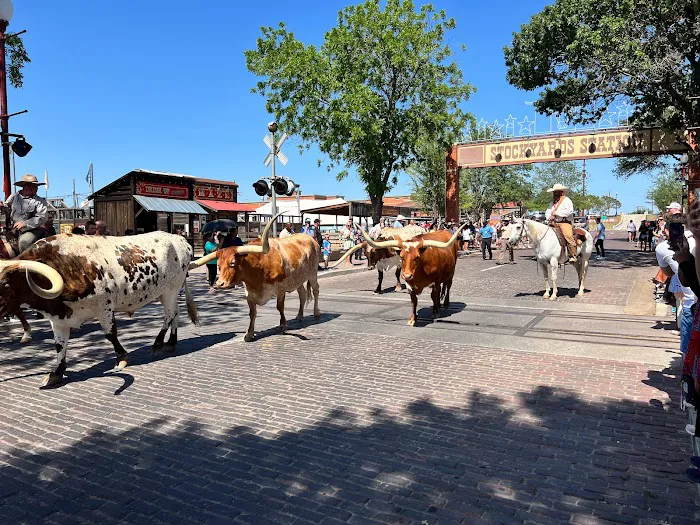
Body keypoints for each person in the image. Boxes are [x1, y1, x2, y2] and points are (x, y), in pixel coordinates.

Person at [656, 216, 696, 354]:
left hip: (692, 305)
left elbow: (668, 272)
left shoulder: (663, 247)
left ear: (668, 230)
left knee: (688, 354)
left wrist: (681, 259)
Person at [0, 174, 49, 252]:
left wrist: (25, 224)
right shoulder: (13, 197)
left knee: (24, 242)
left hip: (32, 229)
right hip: (13, 228)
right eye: (34, 186)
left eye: (36, 186)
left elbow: (42, 217)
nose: (36, 188)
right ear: (25, 186)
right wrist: (2, 206)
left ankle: (27, 262)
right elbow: (7, 206)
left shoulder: (40, 201)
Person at [545, 183, 577, 263]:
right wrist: (549, 217)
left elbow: (569, 211)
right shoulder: (552, 203)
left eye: (557, 192)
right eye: (554, 192)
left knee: (568, 236)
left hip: (564, 222)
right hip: (554, 222)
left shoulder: (567, 201)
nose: (555, 193)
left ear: (561, 192)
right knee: (544, 234)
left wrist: (556, 213)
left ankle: (572, 255)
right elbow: (548, 211)